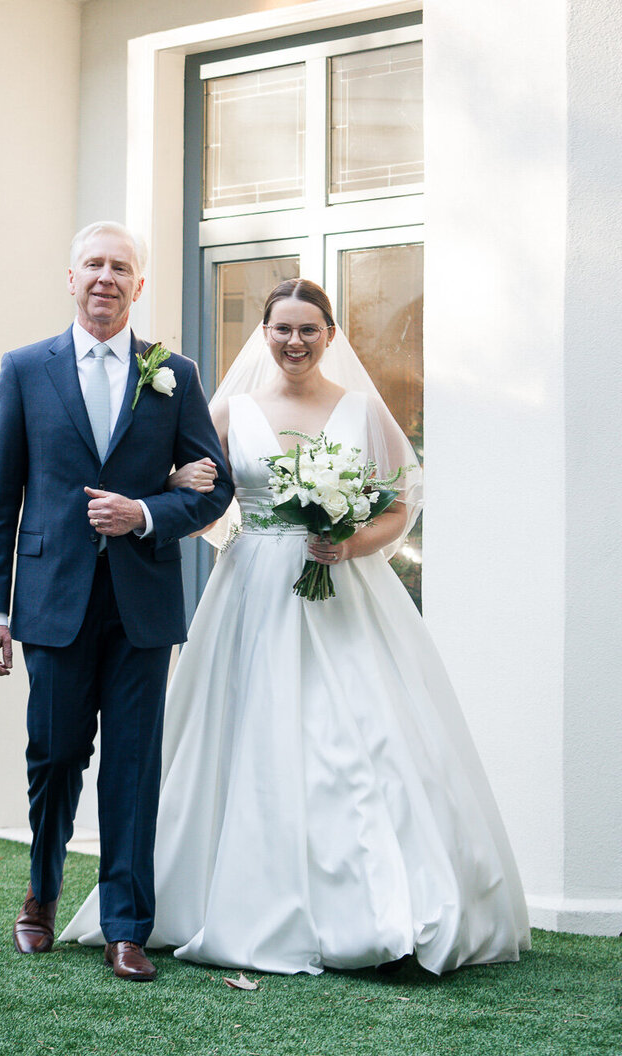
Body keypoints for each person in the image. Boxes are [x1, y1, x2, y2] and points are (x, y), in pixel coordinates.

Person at [60, 278, 531, 976]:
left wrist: (351, 543)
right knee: (247, 731)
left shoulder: (363, 411)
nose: (294, 342)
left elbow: (399, 506)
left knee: (356, 736)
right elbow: (190, 480)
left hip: (342, 590)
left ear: (331, 336)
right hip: (252, 589)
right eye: (282, 328)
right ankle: (228, 896)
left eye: (309, 329)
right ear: (264, 333)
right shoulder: (231, 407)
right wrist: (179, 487)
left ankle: (380, 910)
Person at [0, 221, 233, 980]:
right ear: (71, 276)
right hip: (51, 601)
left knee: (131, 764)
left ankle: (127, 922)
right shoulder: (24, 370)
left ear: (139, 285)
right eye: (94, 264)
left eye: (121, 267)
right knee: (54, 758)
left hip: (141, 604)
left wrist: (146, 512)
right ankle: (42, 893)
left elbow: (214, 489)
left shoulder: (173, 375)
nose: (106, 278)